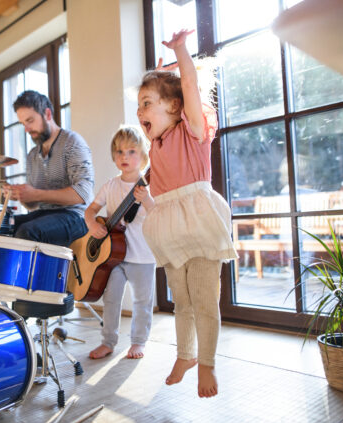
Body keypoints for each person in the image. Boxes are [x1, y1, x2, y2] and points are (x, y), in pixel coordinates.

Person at [137, 30, 237, 398]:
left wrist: (180, 51)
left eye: (147, 103)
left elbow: (190, 85)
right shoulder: (156, 146)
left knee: (204, 299)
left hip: (200, 220)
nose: (139, 111)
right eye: (139, 105)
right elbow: (158, 196)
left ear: (175, 107)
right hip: (170, 225)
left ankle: (207, 362)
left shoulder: (193, 131)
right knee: (181, 300)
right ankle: (186, 355)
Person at [86, 125, 156, 360]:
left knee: (142, 301)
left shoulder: (148, 185)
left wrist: (145, 199)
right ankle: (108, 341)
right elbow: (92, 210)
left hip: (143, 255)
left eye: (131, 152)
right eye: (119, 152)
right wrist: (92, 224)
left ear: (144, 156)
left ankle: (138, 342)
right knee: (111, 298)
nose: (124, 157)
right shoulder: (111, 185)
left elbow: (156, 214)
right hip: (114, 257)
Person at [5, 90, 94, 247]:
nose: (26, 129)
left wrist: (36, 193)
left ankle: (33, 273)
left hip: (76, 216)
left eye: (30, 120)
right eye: (23, 123)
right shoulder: (32, 155)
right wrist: (22, 195)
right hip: (45, 215)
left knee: (27, 232)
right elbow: (33, 205)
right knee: (4, 226)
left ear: (47, 114)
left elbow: (83, 193)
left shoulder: (73, 142)